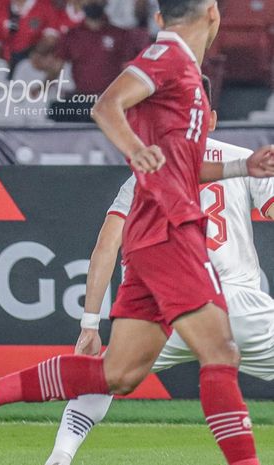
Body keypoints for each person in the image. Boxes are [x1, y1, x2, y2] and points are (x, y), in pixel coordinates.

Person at [0, 2, 274, 464]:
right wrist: (135, 151)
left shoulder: (184, 70)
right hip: (169, 226)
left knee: (118, 373)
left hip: (151, 229)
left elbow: (180, 163)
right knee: (219, 350)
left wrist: (242, 166)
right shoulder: (170, 57)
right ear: (213, 16)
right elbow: (106, 105)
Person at [45, 77, 274, 465]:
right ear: (211, 120)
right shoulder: (242, 158)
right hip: (236, 305)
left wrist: (89, 324)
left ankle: (59, 457)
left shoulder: (143, 173)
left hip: (168, 310)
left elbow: (106, 246)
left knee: (106, 377)